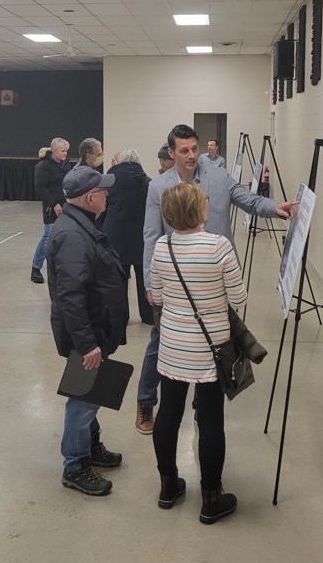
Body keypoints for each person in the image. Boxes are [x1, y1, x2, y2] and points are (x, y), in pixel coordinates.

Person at [133, 123, 296, 436]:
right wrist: (150, 283)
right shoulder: (159, 186)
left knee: (215, 342)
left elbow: (247, 199)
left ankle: (201, 407)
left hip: (214, 279)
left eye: (194, 149)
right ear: (172, 153)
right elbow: (151, 235)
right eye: (185, 150)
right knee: (161, 342)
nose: (192, 155)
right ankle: (145, 401)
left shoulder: (217, 177)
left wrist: (275, 208)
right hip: (178, 282)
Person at [149, 182, 246, 523]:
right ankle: (211, 497)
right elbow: (239, 297)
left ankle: (167, 485)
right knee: (210, 422)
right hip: (210, 349)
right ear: (198, 208)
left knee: (168, 415)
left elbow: (156, 298)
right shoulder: (218, 247)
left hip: (173, 348)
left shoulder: (162, 247)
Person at [47, 165, 129, 496]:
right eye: (104, 191)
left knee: (91, 395)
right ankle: (75, 465)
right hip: (87, 333)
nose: (108, 195)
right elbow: (71, 297)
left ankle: (91, 447)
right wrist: (88, 344)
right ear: (91, 197)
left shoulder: (81, 225)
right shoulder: (72, 237)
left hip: (96, 328)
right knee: (82, 400)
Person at [101, 149, 153, 326]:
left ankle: (121, 317)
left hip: (115, 236)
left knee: (118, 280)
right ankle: (148, 316)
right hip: (142, 236)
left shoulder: (109, 183)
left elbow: (102, 208)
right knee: (144, 278)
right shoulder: (148, 183)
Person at [32, 138, 71, 284]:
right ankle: (36, 268)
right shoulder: (43, 166)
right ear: (54, 151)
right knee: (48, 237)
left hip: (66, 206)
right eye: (62, 151)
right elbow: (41, 188)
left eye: (66, 150)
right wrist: (54, 204)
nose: (65, 153)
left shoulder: (66, 165)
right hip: (51, 208)